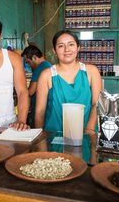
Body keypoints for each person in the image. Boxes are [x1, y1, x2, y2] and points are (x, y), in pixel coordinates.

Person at [35, 30, 102, 163]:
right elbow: (40, 111)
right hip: (54, 138)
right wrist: (39, 141)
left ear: (78, 47)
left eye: (71, 44)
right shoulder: (47, 75)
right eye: (61, 46)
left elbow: (97, 104)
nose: (67, 49)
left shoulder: (91, 71)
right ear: (54, 50)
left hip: (86, 137)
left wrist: (89, 129)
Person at [21, 45, 51, 127]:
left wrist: (20, 93)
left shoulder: (39, 69)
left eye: (28, 62)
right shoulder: (48, 65)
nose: (28, 65)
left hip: (40, 111)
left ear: (34, 58)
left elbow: (30, 92)